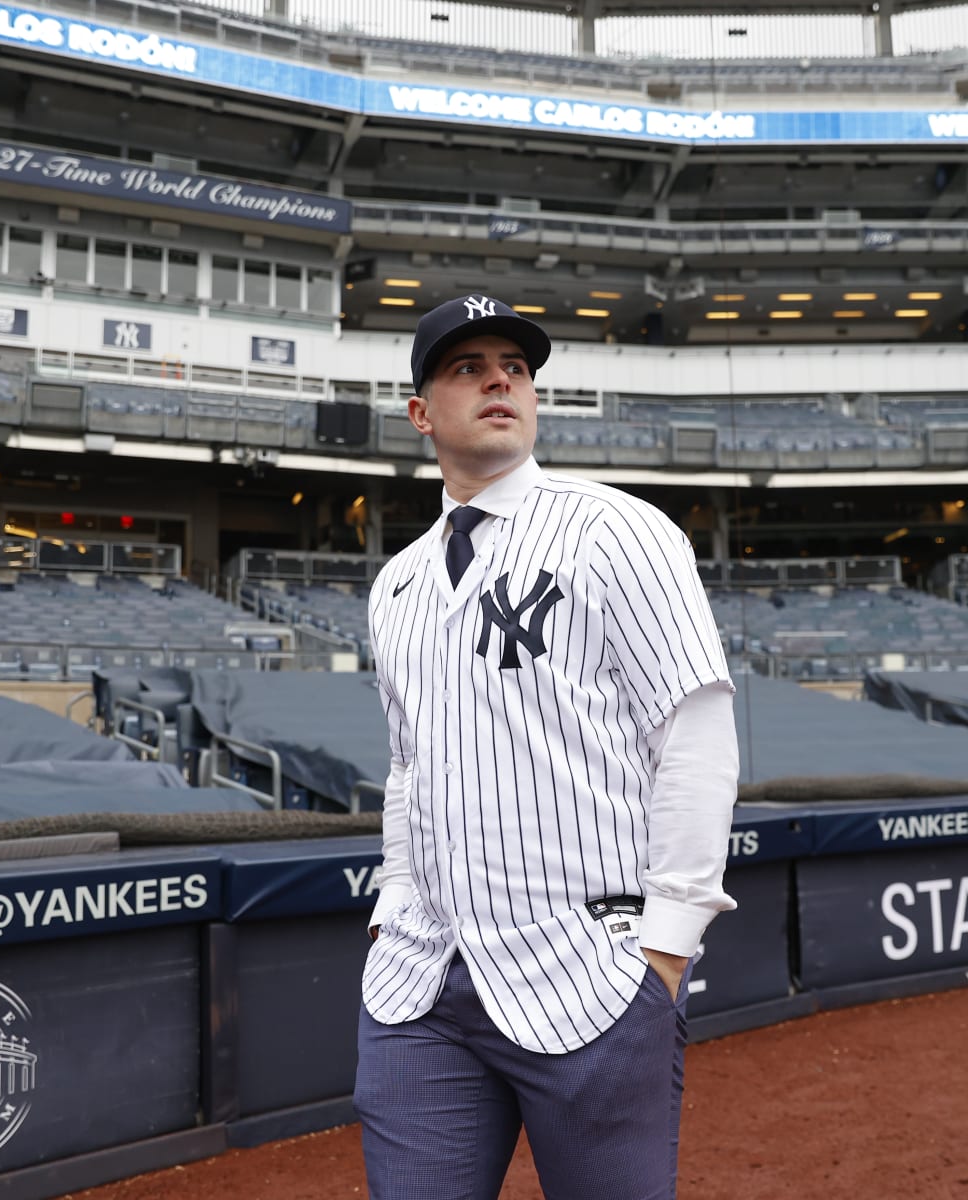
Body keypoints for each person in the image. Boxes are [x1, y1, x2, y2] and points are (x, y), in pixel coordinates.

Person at [354, 293, 740, 1199]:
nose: (499, 379)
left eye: (516, 368)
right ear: (422, 414)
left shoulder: (618, 530)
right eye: (466, 367)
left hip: (587, 970)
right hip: (419, 984)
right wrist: (392, 905)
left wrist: (668, 949)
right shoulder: (397, 584)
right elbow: (409, 770)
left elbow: (694, 734)